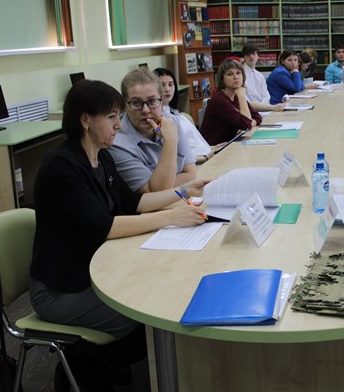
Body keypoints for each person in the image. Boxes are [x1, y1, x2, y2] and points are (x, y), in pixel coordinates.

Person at [29, 79, 210, 389]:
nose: (118, 124)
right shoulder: (61, 165)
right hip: (62, 290)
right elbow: (105, 226)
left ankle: (106, 362)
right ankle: (93, 362)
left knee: (160, 292)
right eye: (112, 116)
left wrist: (183, 191)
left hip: (95, 269)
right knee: (150, 311)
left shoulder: (101, 155)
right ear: (85, 120)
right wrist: (172, 216)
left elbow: (133, 203)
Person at [108, 68, 196, 194]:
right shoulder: (116, 142)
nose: (145, 110)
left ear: (161, 100)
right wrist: (170, 141)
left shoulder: (172, 122)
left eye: (152, 101)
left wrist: (161, 183)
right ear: (125, 106)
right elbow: (153, 193)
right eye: (136, 103)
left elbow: (191, 173)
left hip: (177, 198)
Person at [153, 67, 216, 165]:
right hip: (195, 163)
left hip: (207, 156)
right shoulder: (157, 121)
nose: (167, 89)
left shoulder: (177, 114)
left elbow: (194, 141)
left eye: (170, 84)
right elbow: (173, 156)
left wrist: (211, 148)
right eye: (162, 85)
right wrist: (205, 158)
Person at [201, 58, 262, 145]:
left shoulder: (235, 95)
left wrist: (248, 123)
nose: (236, 77)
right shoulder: (219, 99)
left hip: (227, 144)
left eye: (238, 73)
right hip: (212, 149)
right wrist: (242, 97)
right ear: (222, 79)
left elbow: (257, 117)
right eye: (230, 74)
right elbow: (246, 125)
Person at [241, 44, 286, 112]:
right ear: (244, 56)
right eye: (248, 54)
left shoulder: (260, 75)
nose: (251, 56)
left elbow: (266, 96)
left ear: (258, 56)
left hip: (264, 110)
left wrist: (262, 107)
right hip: (249, 111)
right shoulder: (240, 75)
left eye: (254, 54)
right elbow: (245, 101)